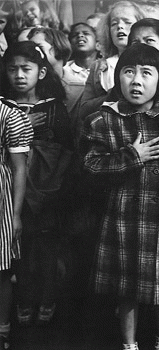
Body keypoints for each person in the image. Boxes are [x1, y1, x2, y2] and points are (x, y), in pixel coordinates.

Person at [80, 42, 159, 350]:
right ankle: (129, 345)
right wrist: (132, 155)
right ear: (117, 76)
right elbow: (90, 168)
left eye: (147, 73)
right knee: (127, 290)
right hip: (121, 221)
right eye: (128, 72)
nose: (136, 81)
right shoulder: (102, 121)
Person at [1, 40, 73, 326]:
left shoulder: (55, 108)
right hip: (10, 189)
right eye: (12, 69)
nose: (19, 75)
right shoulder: (3, 107)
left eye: (26, 69)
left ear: (41, 73)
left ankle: (47, 298)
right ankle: (24, 300)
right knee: (19, 248)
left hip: (48, 189)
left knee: (46, 248)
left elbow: (67, 149)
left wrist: (54, 187)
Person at [0, 90, 33, 350]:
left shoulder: (8, 115)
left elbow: (19, 167)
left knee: (2, 271)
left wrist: (15, 213)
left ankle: (3, 329)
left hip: (1, 201)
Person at [79, 0, 145, 120]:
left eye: (127, 22)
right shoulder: (99, 67)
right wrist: (113, 95)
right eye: (114, 23)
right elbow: (84, 108)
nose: (120, 26)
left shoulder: (153, 61)